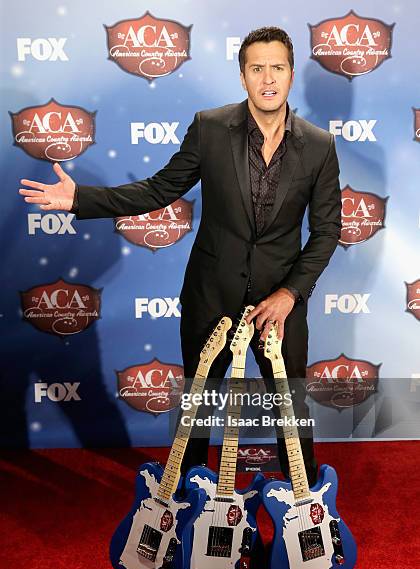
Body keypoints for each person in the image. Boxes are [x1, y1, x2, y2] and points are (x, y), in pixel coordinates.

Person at [19, 27, 342, 488]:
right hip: (211, 295)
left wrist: (290, 294)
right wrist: (79, 200)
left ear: (291, 75)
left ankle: (307, 515)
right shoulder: (211, 128)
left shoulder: (319, 146)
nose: (267, 78)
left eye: (277, 68)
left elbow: (328, 230)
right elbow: (159, 189)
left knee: (292, 412)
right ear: (243, 76)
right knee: (197, 411)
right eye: (257, 68)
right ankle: (183, 517)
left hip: (280, 304)